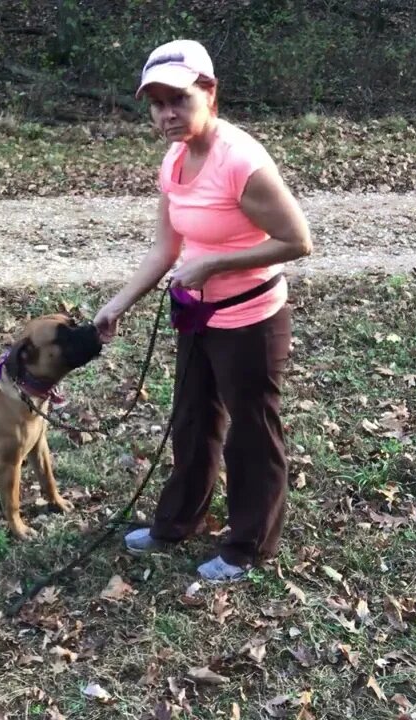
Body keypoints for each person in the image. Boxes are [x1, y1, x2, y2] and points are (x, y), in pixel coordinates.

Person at [93, 39, 313, 582]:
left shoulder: (241, 162)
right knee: (192, 419)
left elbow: (297, 240)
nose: (167, 114)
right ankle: (177, 522)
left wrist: (213, 265)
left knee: (251, 432)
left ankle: (248, 546)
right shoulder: (174, 159)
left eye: (179, 99)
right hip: (197, 314)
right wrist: (117, 305)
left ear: (209, 93)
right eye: (156, 103)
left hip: (251, 320)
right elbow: (166, 250)